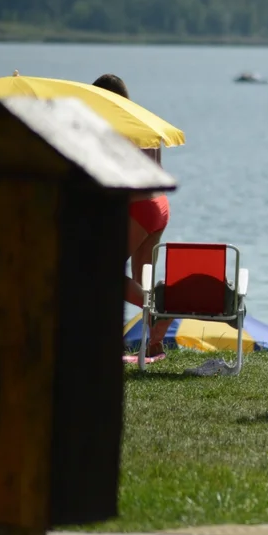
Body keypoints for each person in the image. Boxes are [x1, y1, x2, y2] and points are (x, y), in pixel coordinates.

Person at [93, 73, 173, 353]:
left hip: (139, 206)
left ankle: (160, 309)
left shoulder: (114, 128)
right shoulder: (143, 121)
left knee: (102, 270)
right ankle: (153, 346)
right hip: (160, 205)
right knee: (142, 281)